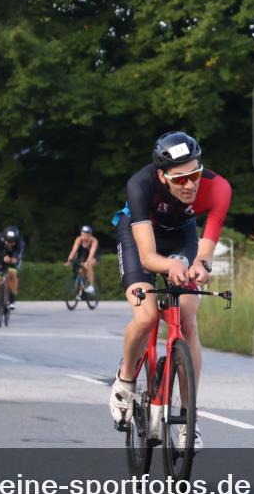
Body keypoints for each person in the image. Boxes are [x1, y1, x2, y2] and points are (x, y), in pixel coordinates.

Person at [109, 131, 232, 450]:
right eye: (180, 180)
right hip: (141, 238)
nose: (190, 185)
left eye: (195, 174)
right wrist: (170, 267)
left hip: (181, 237)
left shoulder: (218, 188)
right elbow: (149, 256)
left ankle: (190, 419)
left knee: (188, 316)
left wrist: (200, 265)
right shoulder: (141, 184)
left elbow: (204, 250)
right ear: (163, 177)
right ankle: (125, 378)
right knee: (147, 315)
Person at [64, 225, 99, 293]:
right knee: (81, 271)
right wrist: (69, 260)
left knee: (89, 264)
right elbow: (74, 251)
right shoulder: (79, 239)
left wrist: (87, 262)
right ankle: (82, 291)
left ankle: (91, 286)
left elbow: (91, 254)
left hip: (94, 255)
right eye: (82, 232)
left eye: (86, 233)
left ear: (89, 234)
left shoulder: (94, 241)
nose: (83, 234)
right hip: (84, 255)